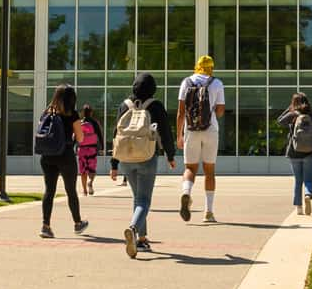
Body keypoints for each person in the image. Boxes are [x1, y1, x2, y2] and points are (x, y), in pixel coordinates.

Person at [114, 72, 176, 258]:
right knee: (144, 200)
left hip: (126, 158)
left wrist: (114, 163)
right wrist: (170, 155)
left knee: (137, 198)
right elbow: (165, 132)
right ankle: (133, 229)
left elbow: (116, 134)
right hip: (147, 157)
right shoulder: (155, 106)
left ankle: (142, 240)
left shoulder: (124, 105)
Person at [176, 55, 227, 224]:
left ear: (197, 66)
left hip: (190, 129)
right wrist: (211, 110)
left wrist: (179, 135)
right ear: (211, 67)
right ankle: (208, 212)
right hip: (210, 129)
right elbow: (220, 111)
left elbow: (181, 112)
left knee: (190, 168)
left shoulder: (186, 82)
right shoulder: (217, 83)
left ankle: (186, 192)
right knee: (209, 171)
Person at [35, 84, 88, 239]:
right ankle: (78, 223)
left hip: (47, 157)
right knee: (70, 191)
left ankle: (46, 226)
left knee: (49, 191)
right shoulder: (72, 115)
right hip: (65, 155)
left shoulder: (47, 112)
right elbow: (80, 138)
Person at [276, 92, 312, 215]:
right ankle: (308, 194)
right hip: (310, 152)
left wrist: (289, 109)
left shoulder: (293, 115)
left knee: (298, 181)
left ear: (294, 103)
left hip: (294, 152)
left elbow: (279, 121)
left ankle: (299, 208)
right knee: (308, 179)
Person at [78, 104, 102, 196]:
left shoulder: (79, 122)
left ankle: (84, 190)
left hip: (82, 149)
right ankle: (90, 182)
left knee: (83, 170)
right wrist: (102, 147)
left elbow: (74, 136)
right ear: (91, 112)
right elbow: (99, 135)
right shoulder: (94, 122)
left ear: (82, 113)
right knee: (92, 169)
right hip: (92, 149)